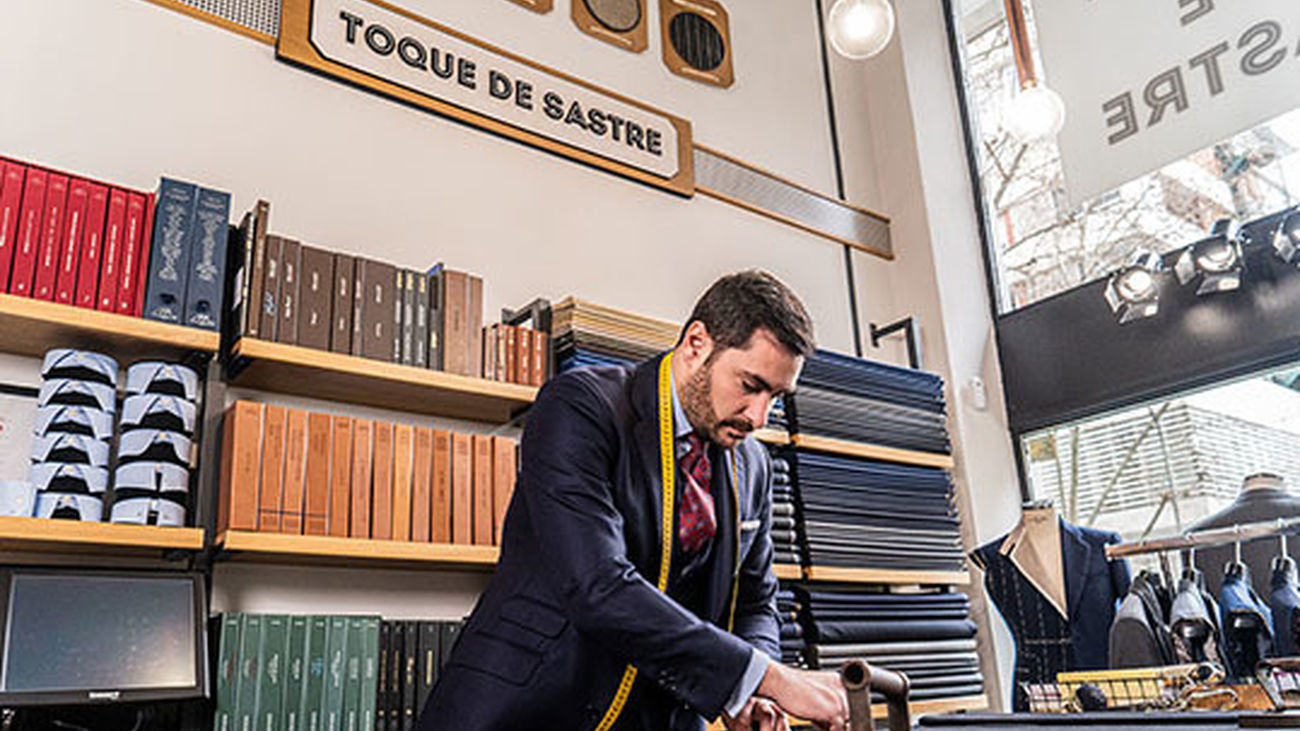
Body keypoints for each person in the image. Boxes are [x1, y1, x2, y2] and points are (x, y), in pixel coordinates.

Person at [415, 271, 851, 731]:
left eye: (776, 397)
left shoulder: (754, 464)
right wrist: (768, 678)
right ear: (696, 343)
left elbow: (755, 601)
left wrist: (752, 695)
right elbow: (597, 585)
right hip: (528, 710)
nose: (759, 417)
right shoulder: (580, 406)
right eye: (750, 385)